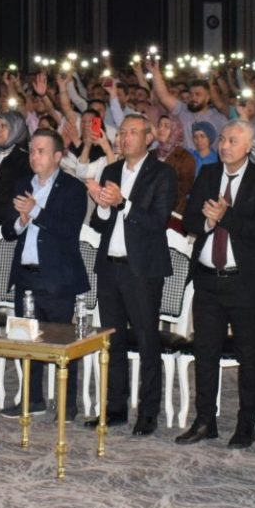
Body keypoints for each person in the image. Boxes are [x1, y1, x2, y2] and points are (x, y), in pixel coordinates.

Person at [177, 120, 255, 448]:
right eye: (222, 139)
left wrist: (226, 216)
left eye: (233, 141)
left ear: (249, 146)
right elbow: (189, 220)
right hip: (208, 280)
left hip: (245, 282)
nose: (224, 145)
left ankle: (246, 423)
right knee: (205, 352)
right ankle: (205, 420)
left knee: (248, 355)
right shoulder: (208, 175)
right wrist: (208, 222)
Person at [86, 112, 179, 435]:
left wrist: (123, 203)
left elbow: (157, 221)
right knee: (112, 341)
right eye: (122, 132)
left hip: (141, 269)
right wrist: (101, 205)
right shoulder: (111, 170)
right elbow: (99, 223)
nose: (124, 138)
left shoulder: (162, 173)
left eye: (132, 132)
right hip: (109, 266)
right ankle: (115, 408)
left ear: (148, 138)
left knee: (146, 339)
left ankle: (148, 412)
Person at [1, 129, 90, 415]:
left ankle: (67, 404)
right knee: (26, 341)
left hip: (58, 278)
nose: (34, 156)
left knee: (63, 342)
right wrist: (21, 220)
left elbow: (68, 230)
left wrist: (36, 211)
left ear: (57, 156)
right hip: (25, 275)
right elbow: (7, 231)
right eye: (32, 150)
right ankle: (32, 399)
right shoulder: (21, 184)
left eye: (41, 151)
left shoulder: (73, 188)